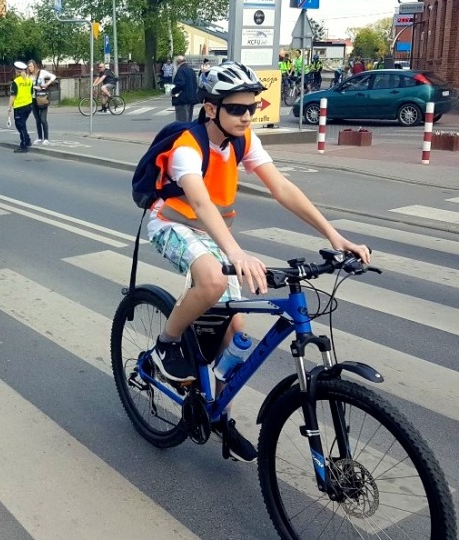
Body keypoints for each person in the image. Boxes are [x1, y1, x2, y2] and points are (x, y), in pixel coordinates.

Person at [144, 62, 370, 462]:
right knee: (212, 281)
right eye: (236, 108)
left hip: (214, 234)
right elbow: (197, 202)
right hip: (171, 224)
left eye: (253, 107)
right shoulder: (188, 146)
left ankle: (220, 416)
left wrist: (334, 236)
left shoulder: (244, 141)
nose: (247, 116)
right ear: (211, 108)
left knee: (236, 327)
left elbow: (281, 188)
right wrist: (235, 253)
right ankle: (166, 345)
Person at [27, 59, 56, 145]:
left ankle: (46, 138)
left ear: (34, 66)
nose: (29, 68)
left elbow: (53, 77)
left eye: (31, 66)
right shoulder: (28, 76)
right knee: (37, 119)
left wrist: (47, 84)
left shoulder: (41, 73)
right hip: (33, 99)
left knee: (43, 119)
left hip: (42, 97)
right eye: (28, 67)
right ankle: (40, 137)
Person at [7, 61, 33, 153]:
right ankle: (28, 140)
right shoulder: (29, 80)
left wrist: (9, 107)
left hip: (19, 106)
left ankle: (24, 145)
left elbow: (13, 95)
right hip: (29, 105)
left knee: (20, 126)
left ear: (17, 71)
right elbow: (31, 92)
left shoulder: (16, 81)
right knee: (23, 124)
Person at [170, 55, 197, 122]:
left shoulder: (181, 70)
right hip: (191, 99)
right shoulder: (191, 70)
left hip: (182, 99)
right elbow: (196, 83)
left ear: (177, 62)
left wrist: (173, 91)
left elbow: (180, 84)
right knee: (188, 120)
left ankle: (183, 132)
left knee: (182, 121)